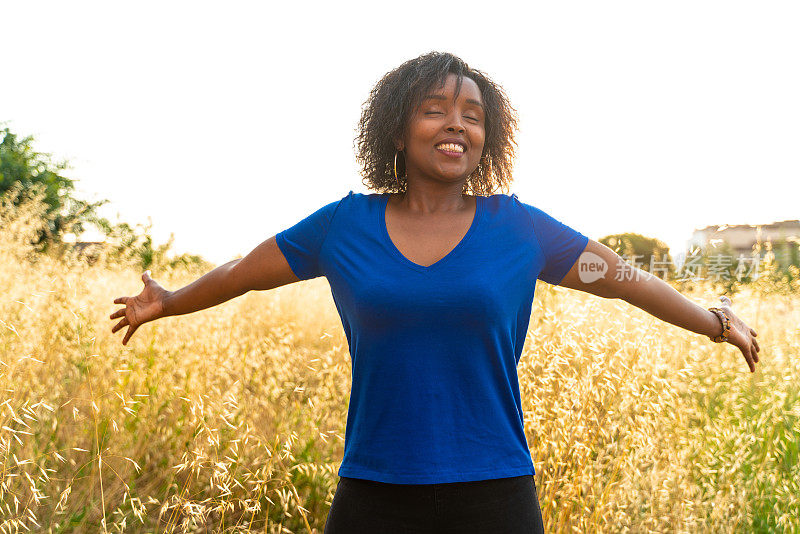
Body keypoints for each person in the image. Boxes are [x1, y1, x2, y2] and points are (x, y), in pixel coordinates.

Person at [109, 51, 761, 533]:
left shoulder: (522, 229)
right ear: (398, 129)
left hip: (496, 493)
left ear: (488, 137)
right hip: (373, 490)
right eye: (436, 110)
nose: (458, 124)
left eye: (473, 115)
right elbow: (240, 272)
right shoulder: (343, 227)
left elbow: (624, 279)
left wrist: (713, 318)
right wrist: (170, 301)